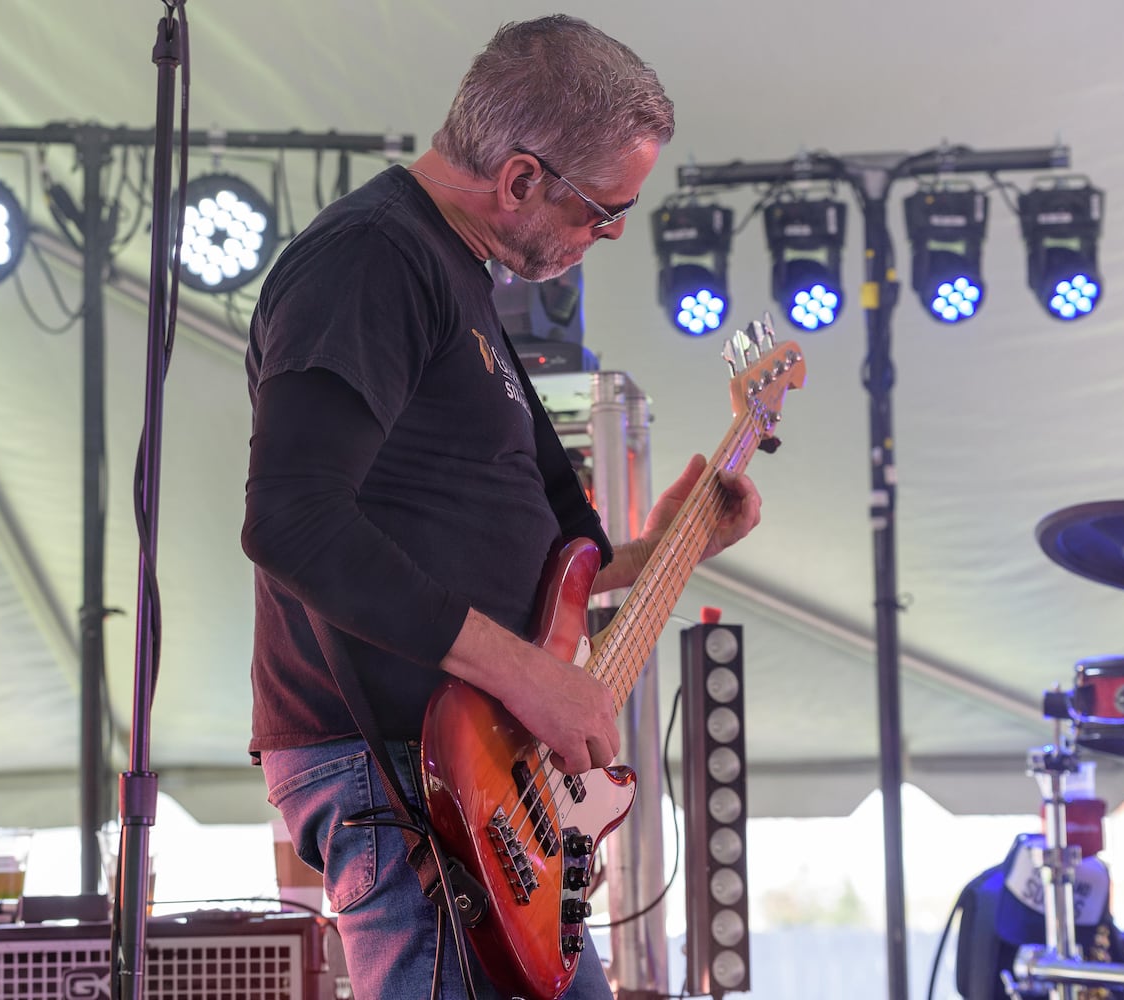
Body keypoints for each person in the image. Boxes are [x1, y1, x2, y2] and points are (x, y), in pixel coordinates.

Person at [241, 15, 762, 999]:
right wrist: (530, 678)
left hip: (480, 776)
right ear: (520, 179)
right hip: (404, 767)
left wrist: (668, 549)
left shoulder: (457, 282)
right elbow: (291, 519)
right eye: (603, 208)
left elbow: (524, 566)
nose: (610, 232)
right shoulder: (371, 259)